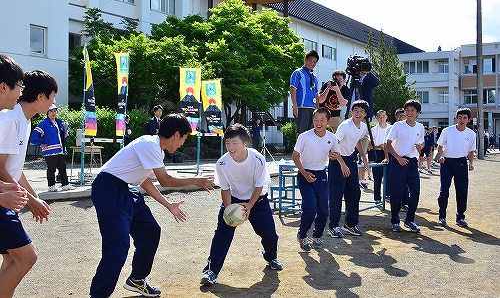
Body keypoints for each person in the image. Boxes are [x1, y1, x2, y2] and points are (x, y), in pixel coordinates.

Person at [90, 113, 215, 298]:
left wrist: (169, 205)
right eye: (184, 139)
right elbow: (165, 180)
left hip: (125, 190)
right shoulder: (149, 144)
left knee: (150, 231)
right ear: (176, 134)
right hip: (108, 188)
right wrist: (195, 180)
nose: (182, 144)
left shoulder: (157, 150)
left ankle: (137, 280)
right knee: (117, 247)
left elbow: (145, 181)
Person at [201, 123, 282, 286]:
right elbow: (225, 189)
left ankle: (271, 257)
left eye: (235, 143)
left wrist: (250, 206)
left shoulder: (257, 159)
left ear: (245, 143)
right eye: (228, 143)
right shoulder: (222, 163)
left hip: (257, 200)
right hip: (233, 199)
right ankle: (211, 271)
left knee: (269, 235)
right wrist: (229, 209)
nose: (230, 147)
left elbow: (259, 185)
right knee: (222, 234)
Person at [0, 69, 57, 298]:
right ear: (41, 96)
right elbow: (0, 167)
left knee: (12, 258)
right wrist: (31, 200)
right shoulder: (10, 118)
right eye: (53, 97)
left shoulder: (23, 120)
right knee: (27, 257)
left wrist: (35, 197)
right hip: (3, 199)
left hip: (7, 199)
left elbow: (15, 169)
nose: (54, 103)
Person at [293, 107, 340, 251]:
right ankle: (302, 235)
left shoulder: (332, 138)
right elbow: (295, 156)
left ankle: (317, 236)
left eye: (322, 120)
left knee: (324, 211)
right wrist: (305, 173)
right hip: (305, 175)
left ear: (328, 121)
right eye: (315, 120)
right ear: (312, 120)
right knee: (310, 208)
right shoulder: (304, 136)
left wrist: (334, 156)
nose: (318, 123)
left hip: (321, 176)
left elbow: (336, 153)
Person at [328, 100, 369, 238]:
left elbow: (357, 140)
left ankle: (350, 224)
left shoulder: (363, 127)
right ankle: (333, 226)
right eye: (355, 110)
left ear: (365, 114)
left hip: (350, 159)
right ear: (351, 111)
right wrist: (342, 164)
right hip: (337, 160)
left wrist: (364, 156)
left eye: (361, 111)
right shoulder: (345, 126)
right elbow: (334, 146)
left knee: (354, 192)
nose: (358, 113)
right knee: (336, 194)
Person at [385, 100, 424, 233]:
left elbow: (421, 143)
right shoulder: (397, 126)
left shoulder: (420, 127)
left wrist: (420, 146)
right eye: (407, 110)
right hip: (398, 162)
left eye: (412, 110)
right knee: (396, 193)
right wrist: (398, 158)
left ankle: (410, 220)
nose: (409, 112)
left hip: (412, 162)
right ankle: (395, 221)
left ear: (418, 113)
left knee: (415, 192)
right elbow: (388, 144)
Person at [436, 108, 476, 227]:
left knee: (462, 191)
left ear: (468, 120)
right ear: (456, 118)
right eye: (460, 117)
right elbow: (439, 146)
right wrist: (441, 156)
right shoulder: (447, 131)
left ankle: (460, 217)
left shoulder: (471, 134)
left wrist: (471, 163)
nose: (462, 120)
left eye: (465, 118)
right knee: (444, 191)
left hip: (461, 163)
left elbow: (471, 151)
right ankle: (442, 216)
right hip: (447, 163)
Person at [0, 55, 28, 213]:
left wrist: (2, 186)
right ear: (4, 87)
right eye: (20, 87)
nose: (21, 94)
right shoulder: (8, 119)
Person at [29, 104, 74, 192]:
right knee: (52, 168)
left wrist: (65, 135)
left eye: (54, 111)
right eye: (51, 111)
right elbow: (34, 136)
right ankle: (51, 185)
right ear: (47, 113)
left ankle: (65, 184)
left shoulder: (59, 123)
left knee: (62, 167)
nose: (53, 113)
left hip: (60, 150)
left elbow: (61, 137)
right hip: (49, 150)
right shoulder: (44, 124)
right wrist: (40, 144)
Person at [290, 50, 319, 137]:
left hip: (313, 108)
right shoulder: (298, 73)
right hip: (302, 107)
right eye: (310, 60)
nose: (312, 63)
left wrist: (318, 108)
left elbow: (316, 94)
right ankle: (298, 151)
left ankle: (309, 151)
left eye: (314, 62)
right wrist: (295, 105)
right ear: (305, 59)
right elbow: (293, 89)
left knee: (312, 132)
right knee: (301, 132)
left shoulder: (315, 77)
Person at [368, 110, 391, 202]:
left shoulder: (391, 128)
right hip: (377, 154)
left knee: (389, 176)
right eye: (379, 117)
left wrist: (386, 147)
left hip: (389, 153)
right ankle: (377, 197)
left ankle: (388, 195)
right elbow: (369, 145)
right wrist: (380, 146)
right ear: (377, 118)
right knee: (377, 177)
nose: (381, 118)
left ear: (386, 117)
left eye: (383, 116)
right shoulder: (373, 130)